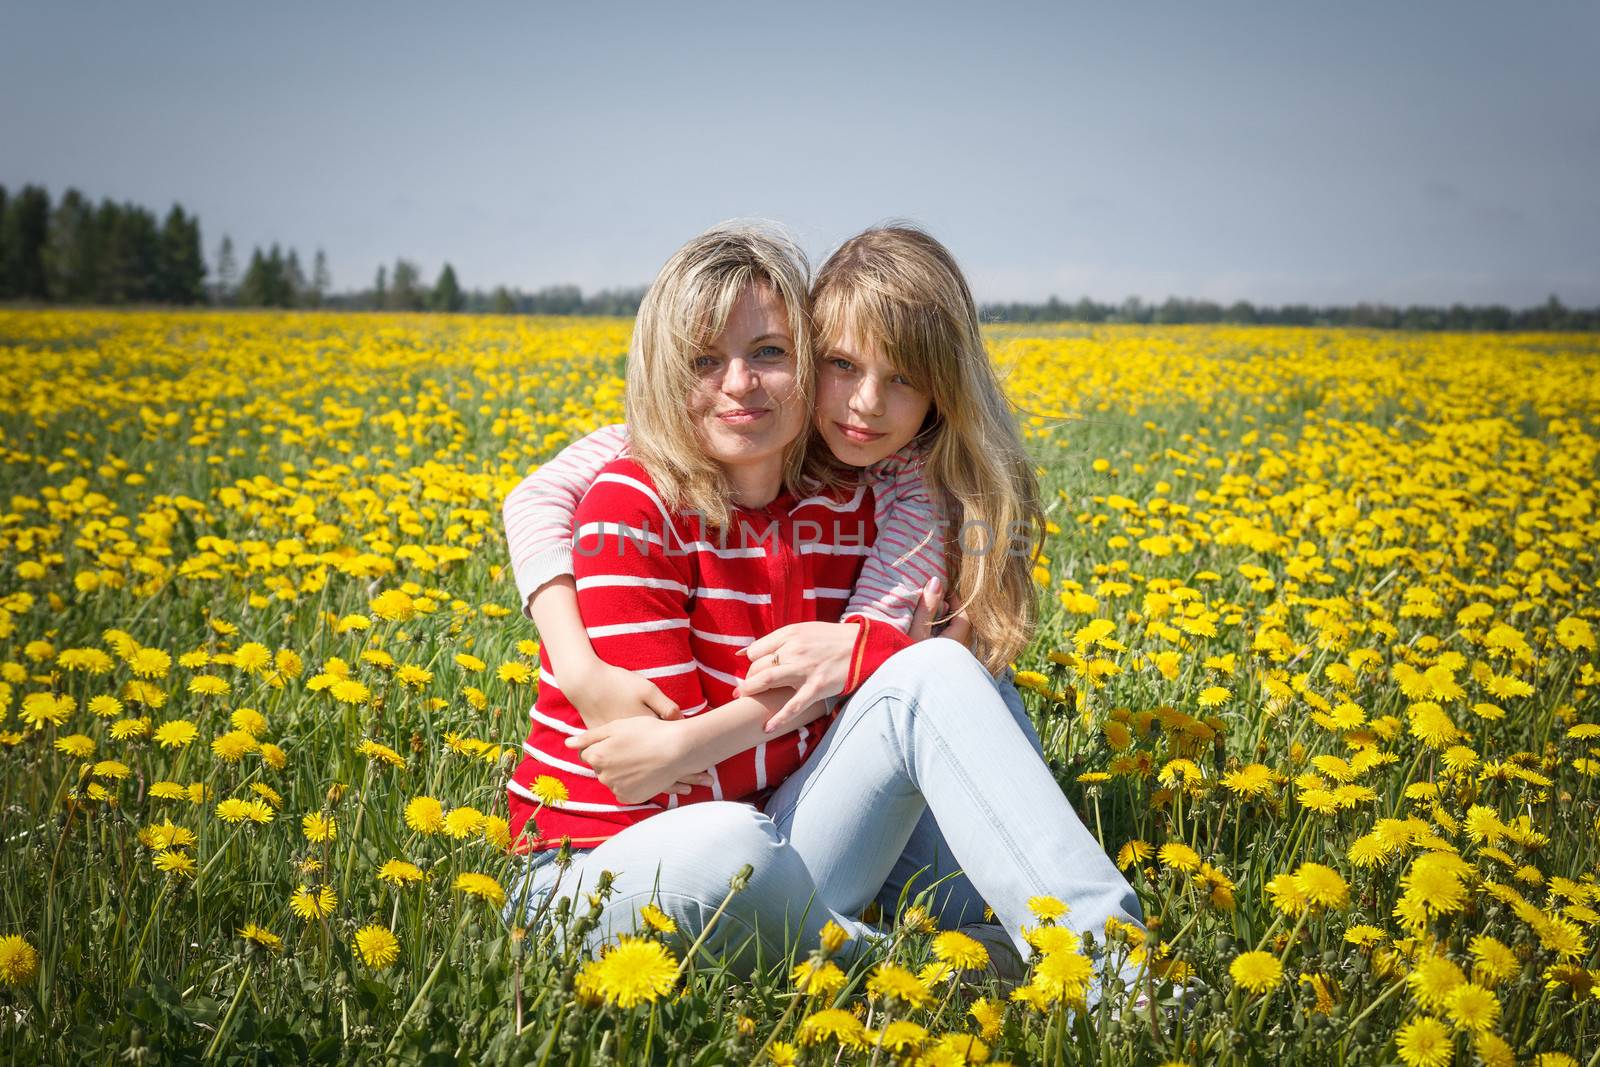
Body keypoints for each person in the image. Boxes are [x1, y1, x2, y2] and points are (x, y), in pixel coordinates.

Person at [503, 224, 1144, 994]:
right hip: (605, 871)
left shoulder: (858, 495)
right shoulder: (632, 497)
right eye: (706, 359)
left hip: (773, 828)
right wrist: (858, 672)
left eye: (770, 353)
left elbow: (895, 674)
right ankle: (914, 967)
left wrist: (874, 662)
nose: (740, 382)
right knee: (729, 844)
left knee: (941, 674)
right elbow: (667, 775)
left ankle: (1119, 976)